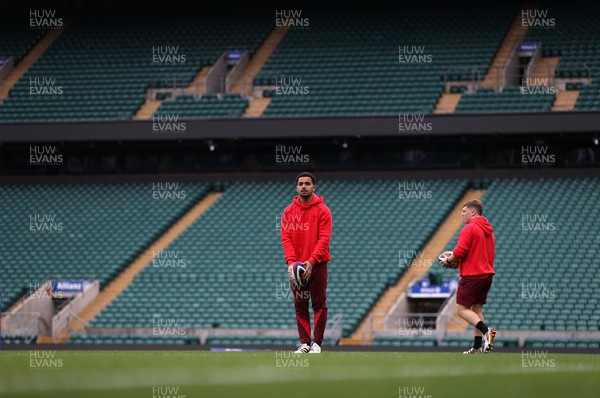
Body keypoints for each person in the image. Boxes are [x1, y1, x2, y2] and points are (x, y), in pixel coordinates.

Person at [280, 172, 332, 353]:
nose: (304, 186)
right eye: (300, 183)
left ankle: (317, 344)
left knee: (319, 303)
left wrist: (311, 262)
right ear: (296, 188)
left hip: (318, 264)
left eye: (307, 184)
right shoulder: (288, 212)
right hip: (296, 267)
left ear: (313, 187)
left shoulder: (323, 210)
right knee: (300, 304)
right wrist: (292, 264)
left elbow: (324, 239)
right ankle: (304, 344)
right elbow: (286, 239)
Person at [441, 199, 496, 354]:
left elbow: (459, 251)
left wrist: (448, 260)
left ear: (473, 212)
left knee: (461, 310)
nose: (461, 214)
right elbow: (479, 255)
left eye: (464, 211)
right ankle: (477, 348)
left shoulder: (469, 228)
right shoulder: (489, 233)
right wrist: (458, 263)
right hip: (486, 275)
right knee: (476, 311)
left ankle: (487, 332)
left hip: (472, 276)